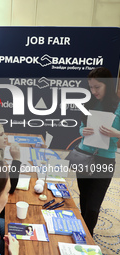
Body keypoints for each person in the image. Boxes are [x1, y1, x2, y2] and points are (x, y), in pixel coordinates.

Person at [76, 67, 120, 236]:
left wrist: (116, 134)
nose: (93, 91)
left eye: (97, 87)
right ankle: (82, 235)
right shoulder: (89, 103)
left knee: (93, 206)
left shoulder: (118, 106)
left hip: (105, 160)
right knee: (84, 199)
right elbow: (81, 126)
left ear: (107, 85)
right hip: (84, 155)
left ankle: (87, 237)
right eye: (91, 87)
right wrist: (83, 131)